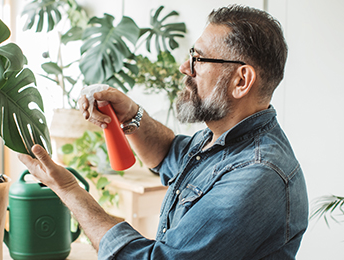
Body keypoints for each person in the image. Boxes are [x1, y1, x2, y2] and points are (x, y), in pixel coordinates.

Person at [18, 4, 309, 259]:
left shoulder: (257, 176)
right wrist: (130, 113)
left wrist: (68, 190)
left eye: (199, 58)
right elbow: (170, 153)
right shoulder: (221, 139)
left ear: (241, 80)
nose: (185, 67)